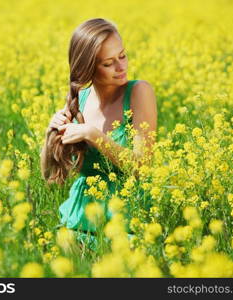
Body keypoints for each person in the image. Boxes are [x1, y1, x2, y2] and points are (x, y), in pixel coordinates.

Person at [40, 18, 157, 250]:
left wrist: (93, 135)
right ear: (88, 68)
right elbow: (51, 177)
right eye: (108, 63)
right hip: (79, 222)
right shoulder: (79, 102)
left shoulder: (138, 92)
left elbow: (142, 167)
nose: (121, 67)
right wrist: (49, 135)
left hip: (127, 223)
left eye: (122, 56)